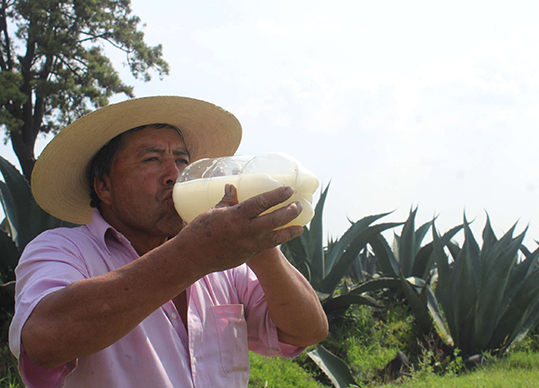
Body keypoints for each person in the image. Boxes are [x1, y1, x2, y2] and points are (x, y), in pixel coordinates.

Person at [8, 96, 329, 387]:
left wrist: (260, 248)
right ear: (103, 187)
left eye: (181, 160)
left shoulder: (225, 264)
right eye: (151, 159)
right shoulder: (62, 250)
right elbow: (42, 340)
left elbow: (308, 330)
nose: (173, 174)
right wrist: (192, 256)